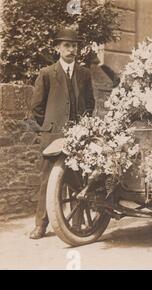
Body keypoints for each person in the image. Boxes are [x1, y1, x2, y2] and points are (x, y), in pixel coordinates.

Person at [29, 28, 95, 239]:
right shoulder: (47, 73)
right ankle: (41, 224)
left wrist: (81, 128)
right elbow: (37, 108)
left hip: (78, 136)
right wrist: (50, 127)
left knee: (77, 179)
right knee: (48, 181)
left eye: (74, 45)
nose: (71, 49)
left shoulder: (84, 74)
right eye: (66, 45)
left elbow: (90, 104)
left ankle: (76, 224)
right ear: (57, 48)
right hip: (53, 136)